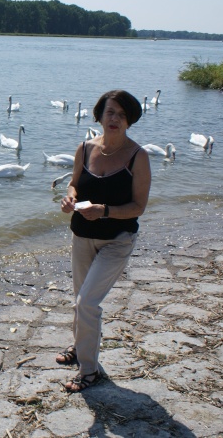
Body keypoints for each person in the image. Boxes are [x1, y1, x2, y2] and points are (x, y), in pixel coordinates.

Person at [58, 89, 151, 392]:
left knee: (88, 302)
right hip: (82, 235)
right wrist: (70, 198)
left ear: (130, 121)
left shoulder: (138, 157)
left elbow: (138, 206)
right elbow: (74, 183)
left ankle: (89, 371)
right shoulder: (84, 148)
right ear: (99, 115)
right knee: (80, 298)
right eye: (110, 112)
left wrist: (105, 211)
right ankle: (79, 346)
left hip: (117, 239)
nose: (115, 119)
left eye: (122, 115)